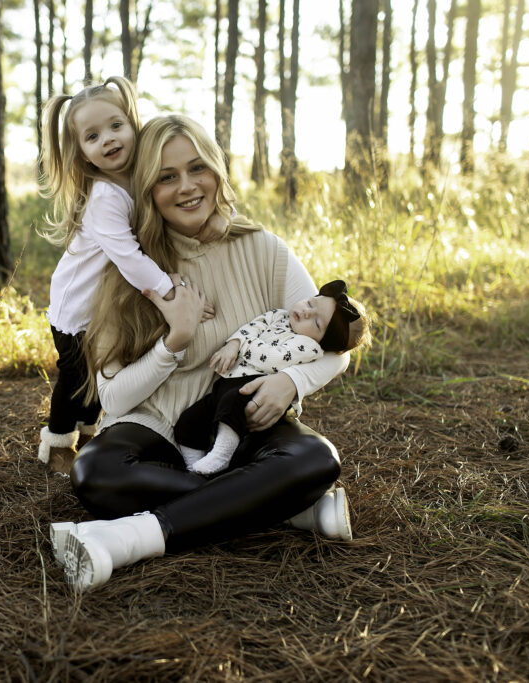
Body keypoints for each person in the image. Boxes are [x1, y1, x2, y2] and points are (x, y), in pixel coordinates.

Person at [47, 115, 357, 591]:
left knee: (316, 459)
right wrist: (174, 340)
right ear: (147, 189)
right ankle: (287, 507)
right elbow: (113, 400)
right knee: (94, 472)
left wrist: (291, 382)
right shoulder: (125, 267)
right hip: (149, 422)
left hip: (239, 419)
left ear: (217, 170)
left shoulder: (265, 249)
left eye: (197, 169)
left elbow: (334, 348)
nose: (187, 187)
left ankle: (128, 538)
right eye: (166, 177)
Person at [36, 77, 216, 467]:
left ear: (134, 125)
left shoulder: (138, 181)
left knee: (98, 379)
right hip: (77, 308)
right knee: (76, 378)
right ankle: (55, 445)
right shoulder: (104, 196)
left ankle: (87, 436)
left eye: (116, 126)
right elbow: (130, 258)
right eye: (93, 135)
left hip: (104, 306)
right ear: (83, 153)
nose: (108, 139)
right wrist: (171, 295)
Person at [175, 279, 370, 475]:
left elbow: (271, 359)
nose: (307, 312)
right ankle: (193, 467)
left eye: (316, 323)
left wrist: (243, 345)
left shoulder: (308, 347)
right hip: (228, 384)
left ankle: (220, 456)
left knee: (232, 405)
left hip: (256, 390)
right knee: (189, 421)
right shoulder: (279, 315)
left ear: (322, 342)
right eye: (311, 303)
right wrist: (233, 343)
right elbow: (252, 326)